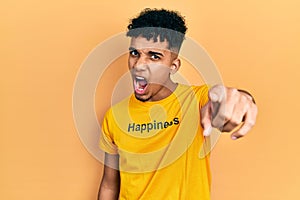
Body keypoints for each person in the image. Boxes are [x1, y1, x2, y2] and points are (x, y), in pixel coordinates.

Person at [98, 8, 257, 200]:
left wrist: (241, 99)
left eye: (154, 56)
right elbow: (109, 184)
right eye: (134, 53)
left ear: (173, 66)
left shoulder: (197, 100)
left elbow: (226, 98)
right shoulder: (114, 115)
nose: (139, 64)